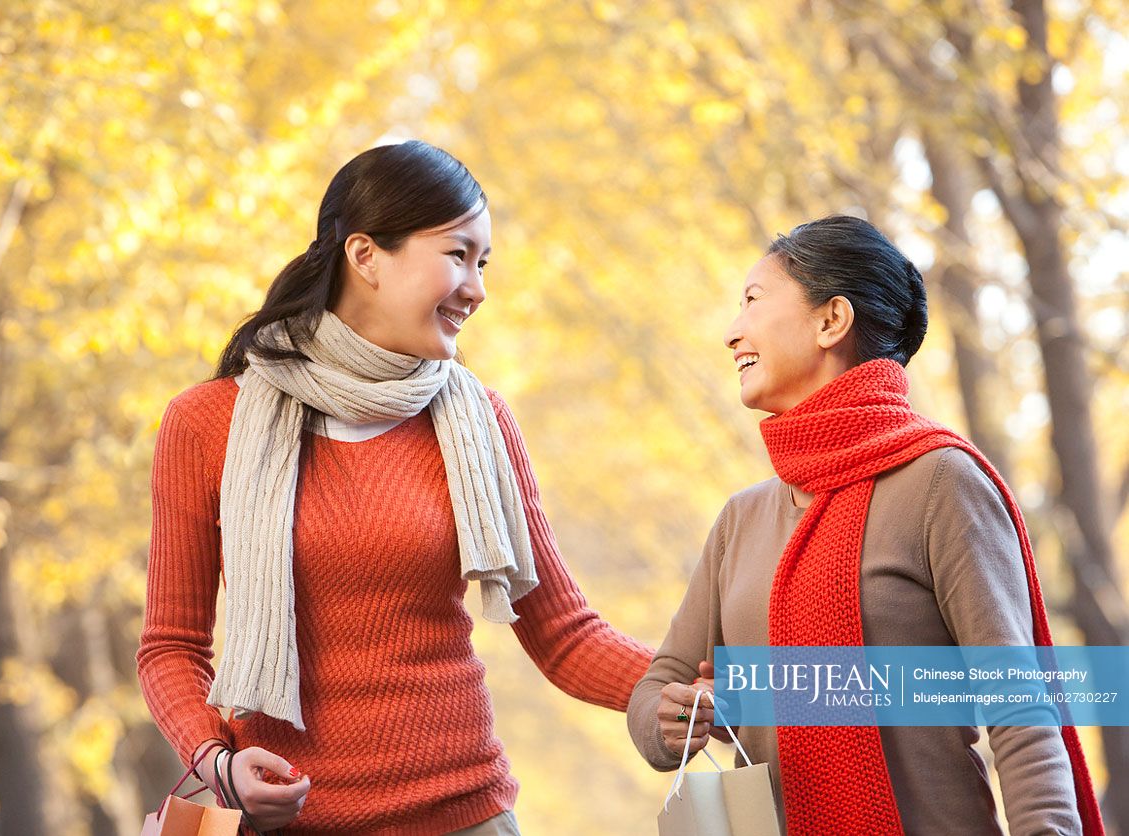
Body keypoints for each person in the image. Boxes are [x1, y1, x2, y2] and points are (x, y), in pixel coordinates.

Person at [137, 140, 652, 834]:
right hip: (291, 822)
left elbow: (562, 635)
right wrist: (216, 762)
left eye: (483, 262)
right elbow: (170, 646)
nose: (477, 287)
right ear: (366, 256)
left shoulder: (478, 421)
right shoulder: (207, 423)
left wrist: (682, 684)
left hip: (464, 816)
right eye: (457, 255)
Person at [626, 215, 1104, 835]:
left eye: (752, 300)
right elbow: (657, 686)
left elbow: (1018, 708)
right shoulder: (742, 520)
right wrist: (667, 721)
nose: (732, 332)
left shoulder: (941, 483)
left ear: (832, 320)